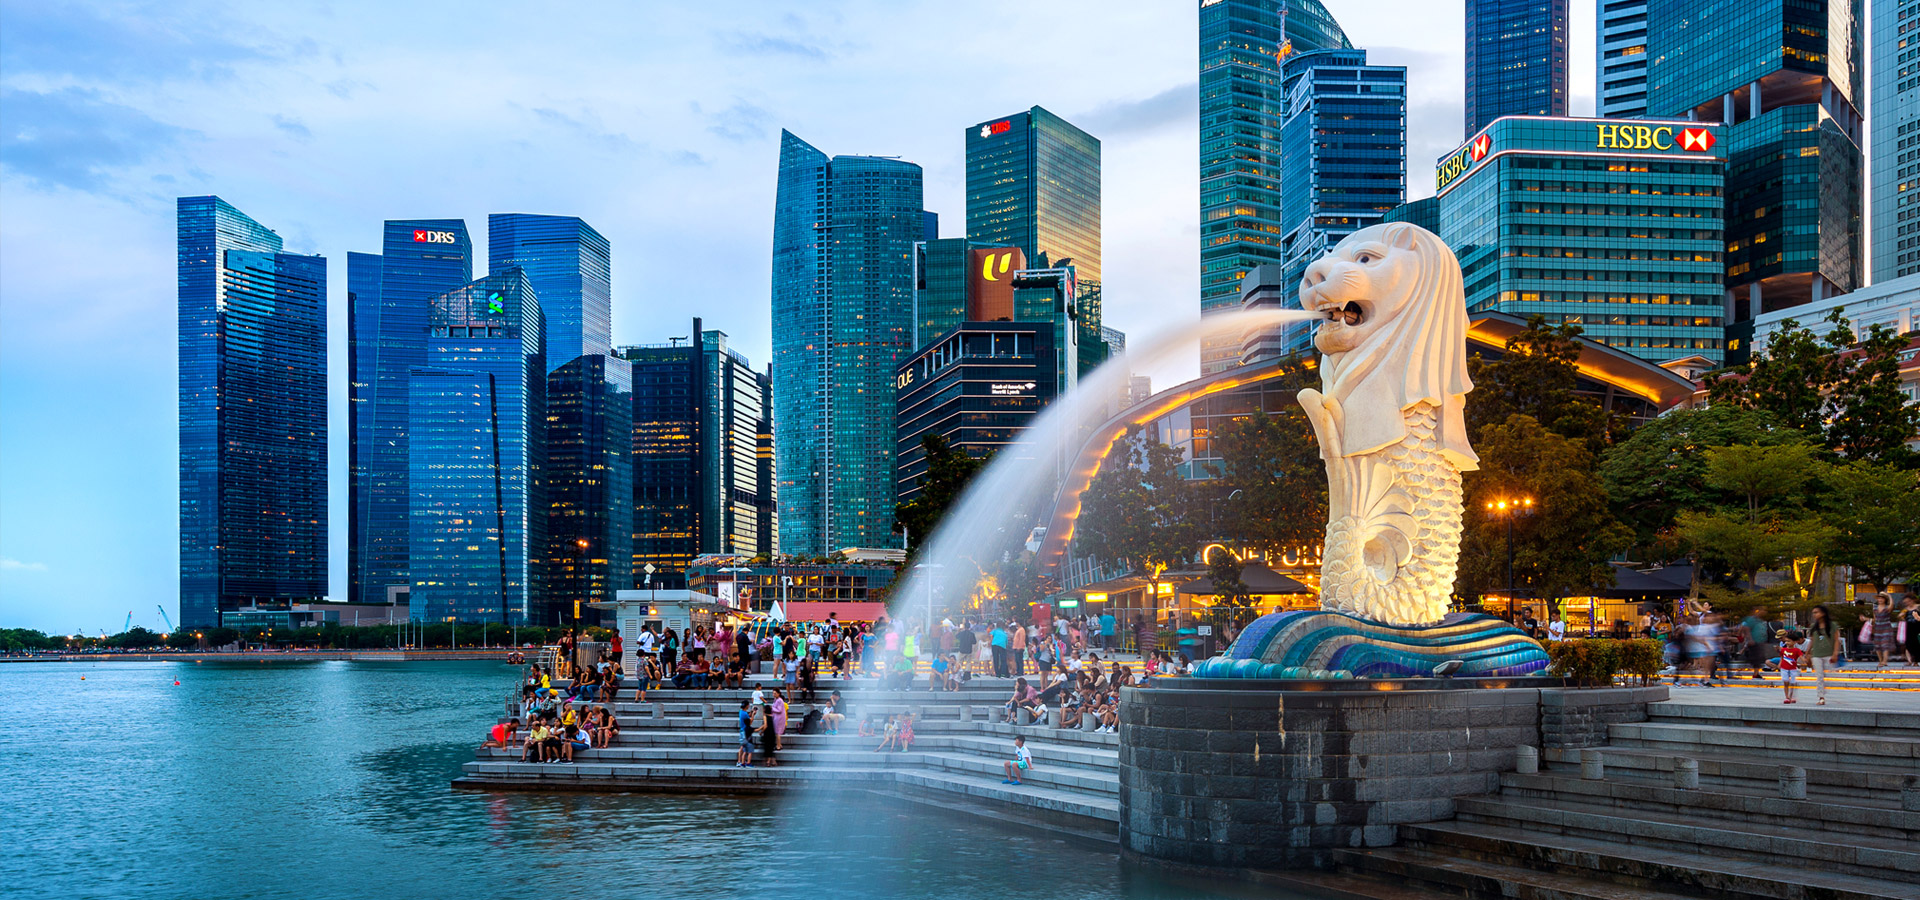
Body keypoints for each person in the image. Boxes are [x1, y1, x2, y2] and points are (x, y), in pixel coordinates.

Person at [1805, 605, 1839, 706]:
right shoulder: (1814, 627)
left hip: (1829, 654)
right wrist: (1807, 652)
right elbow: (1812, 640)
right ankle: (1821, 697)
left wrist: (1835, 653)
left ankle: (1831, 695)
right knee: (1819, 676)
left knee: (1829, 675)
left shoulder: (1832, 625)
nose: (1814, 615)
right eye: (1813, 613)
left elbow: (1837, 640)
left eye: (1816, 612)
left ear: (1823, 613)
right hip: (1817, 654)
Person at [1740, 607, 1772, 679]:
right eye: (1762, 611)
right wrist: (1750, 639)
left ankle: (1756, 673)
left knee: (1759, 657)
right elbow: (1746, 628)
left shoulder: (1759, 620)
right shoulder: (1751, 619)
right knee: (1756, 657)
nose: (1764, 612)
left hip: (1759, 641)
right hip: (1754, 642)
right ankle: (1755, 673)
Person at [1778, 629, 1807, 704]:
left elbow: (1801, 657)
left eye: (1789, 641)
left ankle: (1791, 696)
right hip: (1784, 668)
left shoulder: (1797, 650)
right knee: (1786, 682)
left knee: (1793, 683)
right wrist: (1779, 664)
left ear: (1794, 642)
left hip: (1793, 668)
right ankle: (1787, 697)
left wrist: (1805, 661)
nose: (1787, 643)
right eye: (1786, 641)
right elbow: (1782, 658)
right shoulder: (1783, 650)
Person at [1871, 595, 1897, 669]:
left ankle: (1885, 661)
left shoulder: (1887, 608)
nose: (1880, 600)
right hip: (1878, 627)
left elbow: (1892, 605)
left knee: (1885, 644)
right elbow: (1874, 618)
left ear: (1885, 599)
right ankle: (1880, 660)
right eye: (1879, 598)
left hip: (1886, 627)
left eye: (1882, 598)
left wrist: (1889, 596)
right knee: (1877, 645)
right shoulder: (1875, 608)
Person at [735, 700, 755, 768]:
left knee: (742, 746)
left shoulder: (741, 712)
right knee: (743, 747)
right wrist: (753, 715)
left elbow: (746, 716)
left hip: (742, 731)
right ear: (747, 706)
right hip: (745, 732)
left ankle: (739, 761)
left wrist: (751, 712)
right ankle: (741, 761)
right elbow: (750, 722)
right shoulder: (745, 714)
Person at [1902, 595, 1920, 666]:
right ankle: (1911, 660)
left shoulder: (1918, 607)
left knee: (1917, 644)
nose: (1908, 603)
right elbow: (1903, 617)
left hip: (1917, 628)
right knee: (1908, 644)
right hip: (1909, 628)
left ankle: (1916, 661)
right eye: (1906, 602)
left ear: (1912, 600)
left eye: (1909, 601)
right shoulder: (1906, 609)